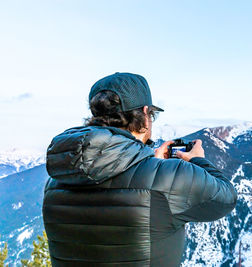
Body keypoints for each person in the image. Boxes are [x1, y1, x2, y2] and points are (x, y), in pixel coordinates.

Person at [42, 72, 237, 266]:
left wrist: (151, 165)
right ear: (145, 114)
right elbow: (226, 198)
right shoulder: (168, 178)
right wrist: (197, 161)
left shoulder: (57, 180)